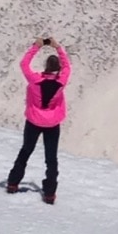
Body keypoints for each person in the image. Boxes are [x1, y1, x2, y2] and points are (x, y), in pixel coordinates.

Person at [5, 37, 70, 202]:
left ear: (46, 67)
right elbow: (68, 67)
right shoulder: (61, 81)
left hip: (34, 121)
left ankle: (13, 182)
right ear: (58, 69)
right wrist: (58, 47)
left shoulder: (35, 81)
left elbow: (24, 64)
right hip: (52, 123)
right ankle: (49, 193)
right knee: (51, 157)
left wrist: (36, 46)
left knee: (26, 150)